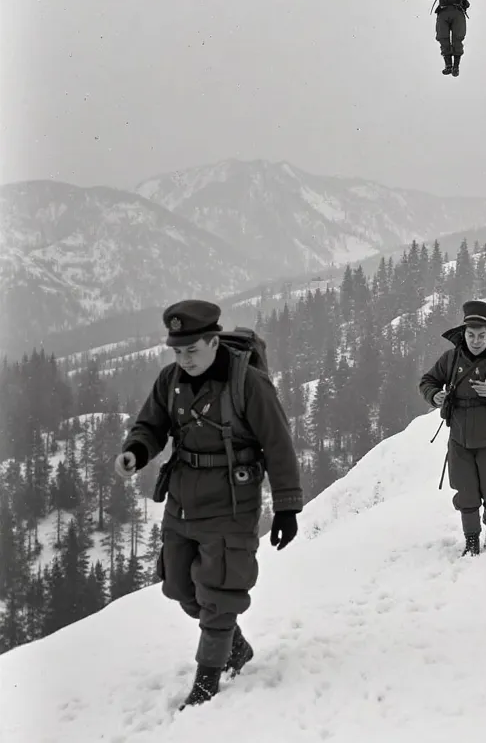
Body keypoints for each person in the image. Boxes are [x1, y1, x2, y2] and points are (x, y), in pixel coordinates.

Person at [114, 300, 303, 709]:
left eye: (192, 351)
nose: (185, 360)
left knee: (219, 595)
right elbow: (152, 425)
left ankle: (206, 684)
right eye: (178, 352)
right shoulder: (171, 380)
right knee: (180, 587)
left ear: (214, 342)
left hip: (232, 502)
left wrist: (287, 506)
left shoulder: (248, 383)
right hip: (182, 499)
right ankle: (234, 647)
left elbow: (278, 443)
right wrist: (136, 450)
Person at [419, 300, 486, 555]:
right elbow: (428, 381)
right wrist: (433, 395)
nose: (475, 340)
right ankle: (471, 537)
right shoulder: (451, 358)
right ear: (464, 334)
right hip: (460, 439)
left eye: (481, 335)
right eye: (470, 335)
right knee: (465, 493)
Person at [422, 0, 480, 76]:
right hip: (443, 13)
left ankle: (456, 66)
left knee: (457, 38)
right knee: (443, 37)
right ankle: (448, 65)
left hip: (457, 12)